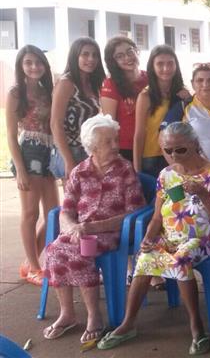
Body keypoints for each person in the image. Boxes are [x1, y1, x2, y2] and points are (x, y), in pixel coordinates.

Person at [98, 122, 210, 354]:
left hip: (202, 238)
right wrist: (148, 237)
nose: (174, 155)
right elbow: (158, 217)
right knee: (145, 257)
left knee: (180, 260)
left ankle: (197, 327)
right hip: (170, 236)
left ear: (194, 145)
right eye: (168, 150)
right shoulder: (167, 176)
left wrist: (202, 193)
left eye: (180, 149)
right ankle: (128, 324)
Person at [42, 114, 144, 344]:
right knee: (55, 250)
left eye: (115, 140)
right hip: (82, 231)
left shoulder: (125, 169)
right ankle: (67, 314)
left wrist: (90, 227)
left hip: (114, 232)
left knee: (81, 251)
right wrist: (71, 228)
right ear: (92, 147)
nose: (116, 145)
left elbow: (134, 212)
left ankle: (94, 316)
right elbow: (66, 210)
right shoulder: (80, 171)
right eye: (108, 142)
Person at [6, 46, 59, 286]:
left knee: (53, 217)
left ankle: (30, 263)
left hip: (48, 153)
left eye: (38, 62)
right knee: (30, 214)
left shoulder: (49, 91)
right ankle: (35, 267)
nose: (34, 67)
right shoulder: (16, 93)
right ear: (21, 66)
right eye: (28, 63)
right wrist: (20, 169)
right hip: (28, 152)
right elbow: (10, 135)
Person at [50, 37, 104, 180]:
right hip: (70, 150)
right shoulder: (66, 82)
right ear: (75, 56)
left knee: (89, 199)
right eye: (85, 54)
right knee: (74, 199)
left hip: (88, 149)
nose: (91, 59)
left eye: (94, 55)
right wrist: (68, 160)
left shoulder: (93, 83)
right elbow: (55, 124)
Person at [133, 45, 188, 177]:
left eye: (170, 63)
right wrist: (137, 170)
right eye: (160, 64)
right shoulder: (145, 96)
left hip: (178, 156)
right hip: (151, 158)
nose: (166, 68)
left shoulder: (183, 93)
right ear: (152, 66)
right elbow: (139, 134)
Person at [101, 36, 147, 162]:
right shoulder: (111, 84)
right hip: (126, 149)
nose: (127, 58)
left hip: (152, 146)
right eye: (119, 56)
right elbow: (109, 123)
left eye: (129, 51)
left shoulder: (150, 78)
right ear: (113, 61)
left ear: (137, 51)